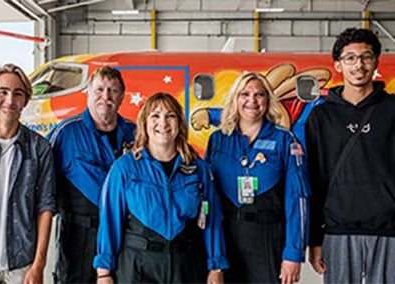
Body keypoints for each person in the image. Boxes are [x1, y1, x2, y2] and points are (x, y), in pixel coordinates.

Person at [94, 92, 229, 284]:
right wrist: (104, 273)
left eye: (170, 116)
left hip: (186, 265)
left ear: (179, 123)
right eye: (155, 116)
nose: (163, 123)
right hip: (138, 266)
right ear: (145, 123)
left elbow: (212, 218)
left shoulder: (198, 169)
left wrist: (216, 266)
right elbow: (110, 220)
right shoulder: (124, 168)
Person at [306, 27, 395, 283]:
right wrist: (315, 239)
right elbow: (314, 180)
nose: (359, 65)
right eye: (350, 58)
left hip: (389, 231)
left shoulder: (392, 110)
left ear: (376, 62)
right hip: (337, 231)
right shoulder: (321, 118)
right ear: (338, 65)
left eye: (366, 57)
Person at [205, 72, 310, 284]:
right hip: (226, 238)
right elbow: (208, 199)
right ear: (235, 99)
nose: (252, 101)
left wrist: (293, 253)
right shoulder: (218, 140)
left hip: (266, 237)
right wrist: (212, 256)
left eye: (259, 95)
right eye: (245, 94)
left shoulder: (284, 139)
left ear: (268, 100)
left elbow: (298, 199)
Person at [47, 66, 136, 283]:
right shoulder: (66, 132)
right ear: (87, 92)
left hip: (127, 234)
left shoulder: (136, 133)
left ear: (122, 96)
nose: (105, 96)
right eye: (99, 90)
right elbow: (44, 182)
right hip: (80, 237)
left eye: (112, 91)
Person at [0, 63, 55, 283]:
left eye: (18, 93)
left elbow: (45, 208)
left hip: (21, 266)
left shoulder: (39, 149)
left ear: (25, 101)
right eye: (3, 92)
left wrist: (38, 265)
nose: (10, 100)